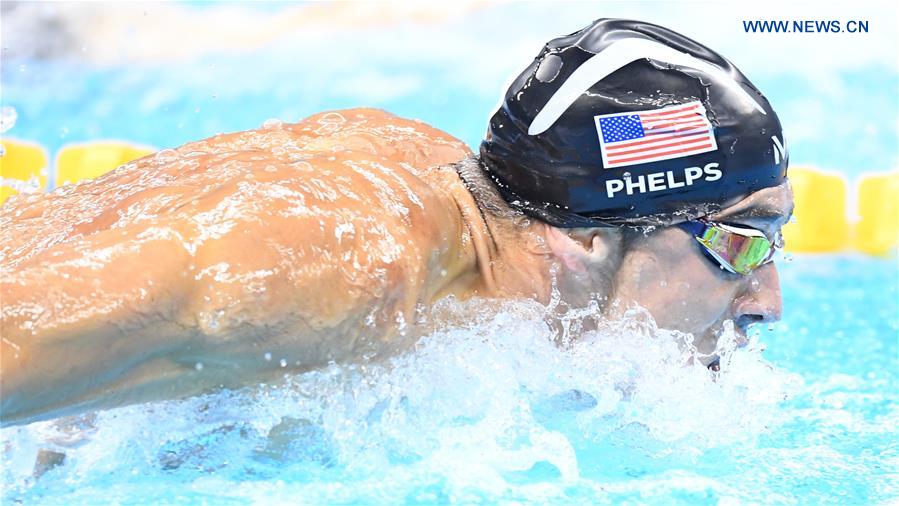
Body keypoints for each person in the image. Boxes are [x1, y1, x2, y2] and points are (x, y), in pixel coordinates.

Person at [0, 18, 791, 427]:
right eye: (737, 242)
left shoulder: (444, 200)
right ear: (587, 239)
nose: (767, 300)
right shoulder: (340, 266)